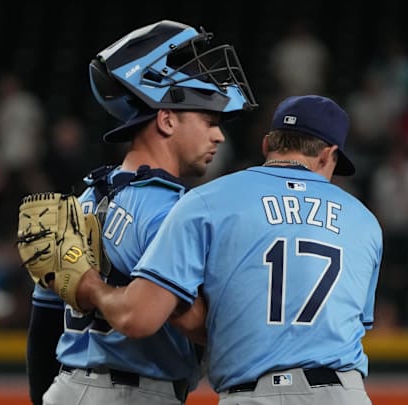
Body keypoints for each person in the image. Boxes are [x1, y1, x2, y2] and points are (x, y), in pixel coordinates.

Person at [75, 95, 383, 405]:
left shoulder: (206, 201)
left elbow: (141, 317)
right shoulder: (365, 222)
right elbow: (353, 325)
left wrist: (90, 285)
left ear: (267, 145)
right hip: (343, 393)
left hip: (251, 395)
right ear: (328, 155)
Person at [25, 20, 257, 405]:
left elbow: (43, 329)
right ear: (166, 119)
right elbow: (210, 328)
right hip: (136, 393)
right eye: (209, 121)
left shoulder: (80, 201)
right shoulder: (173, 210)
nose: (218, 135)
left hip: (66, 390)